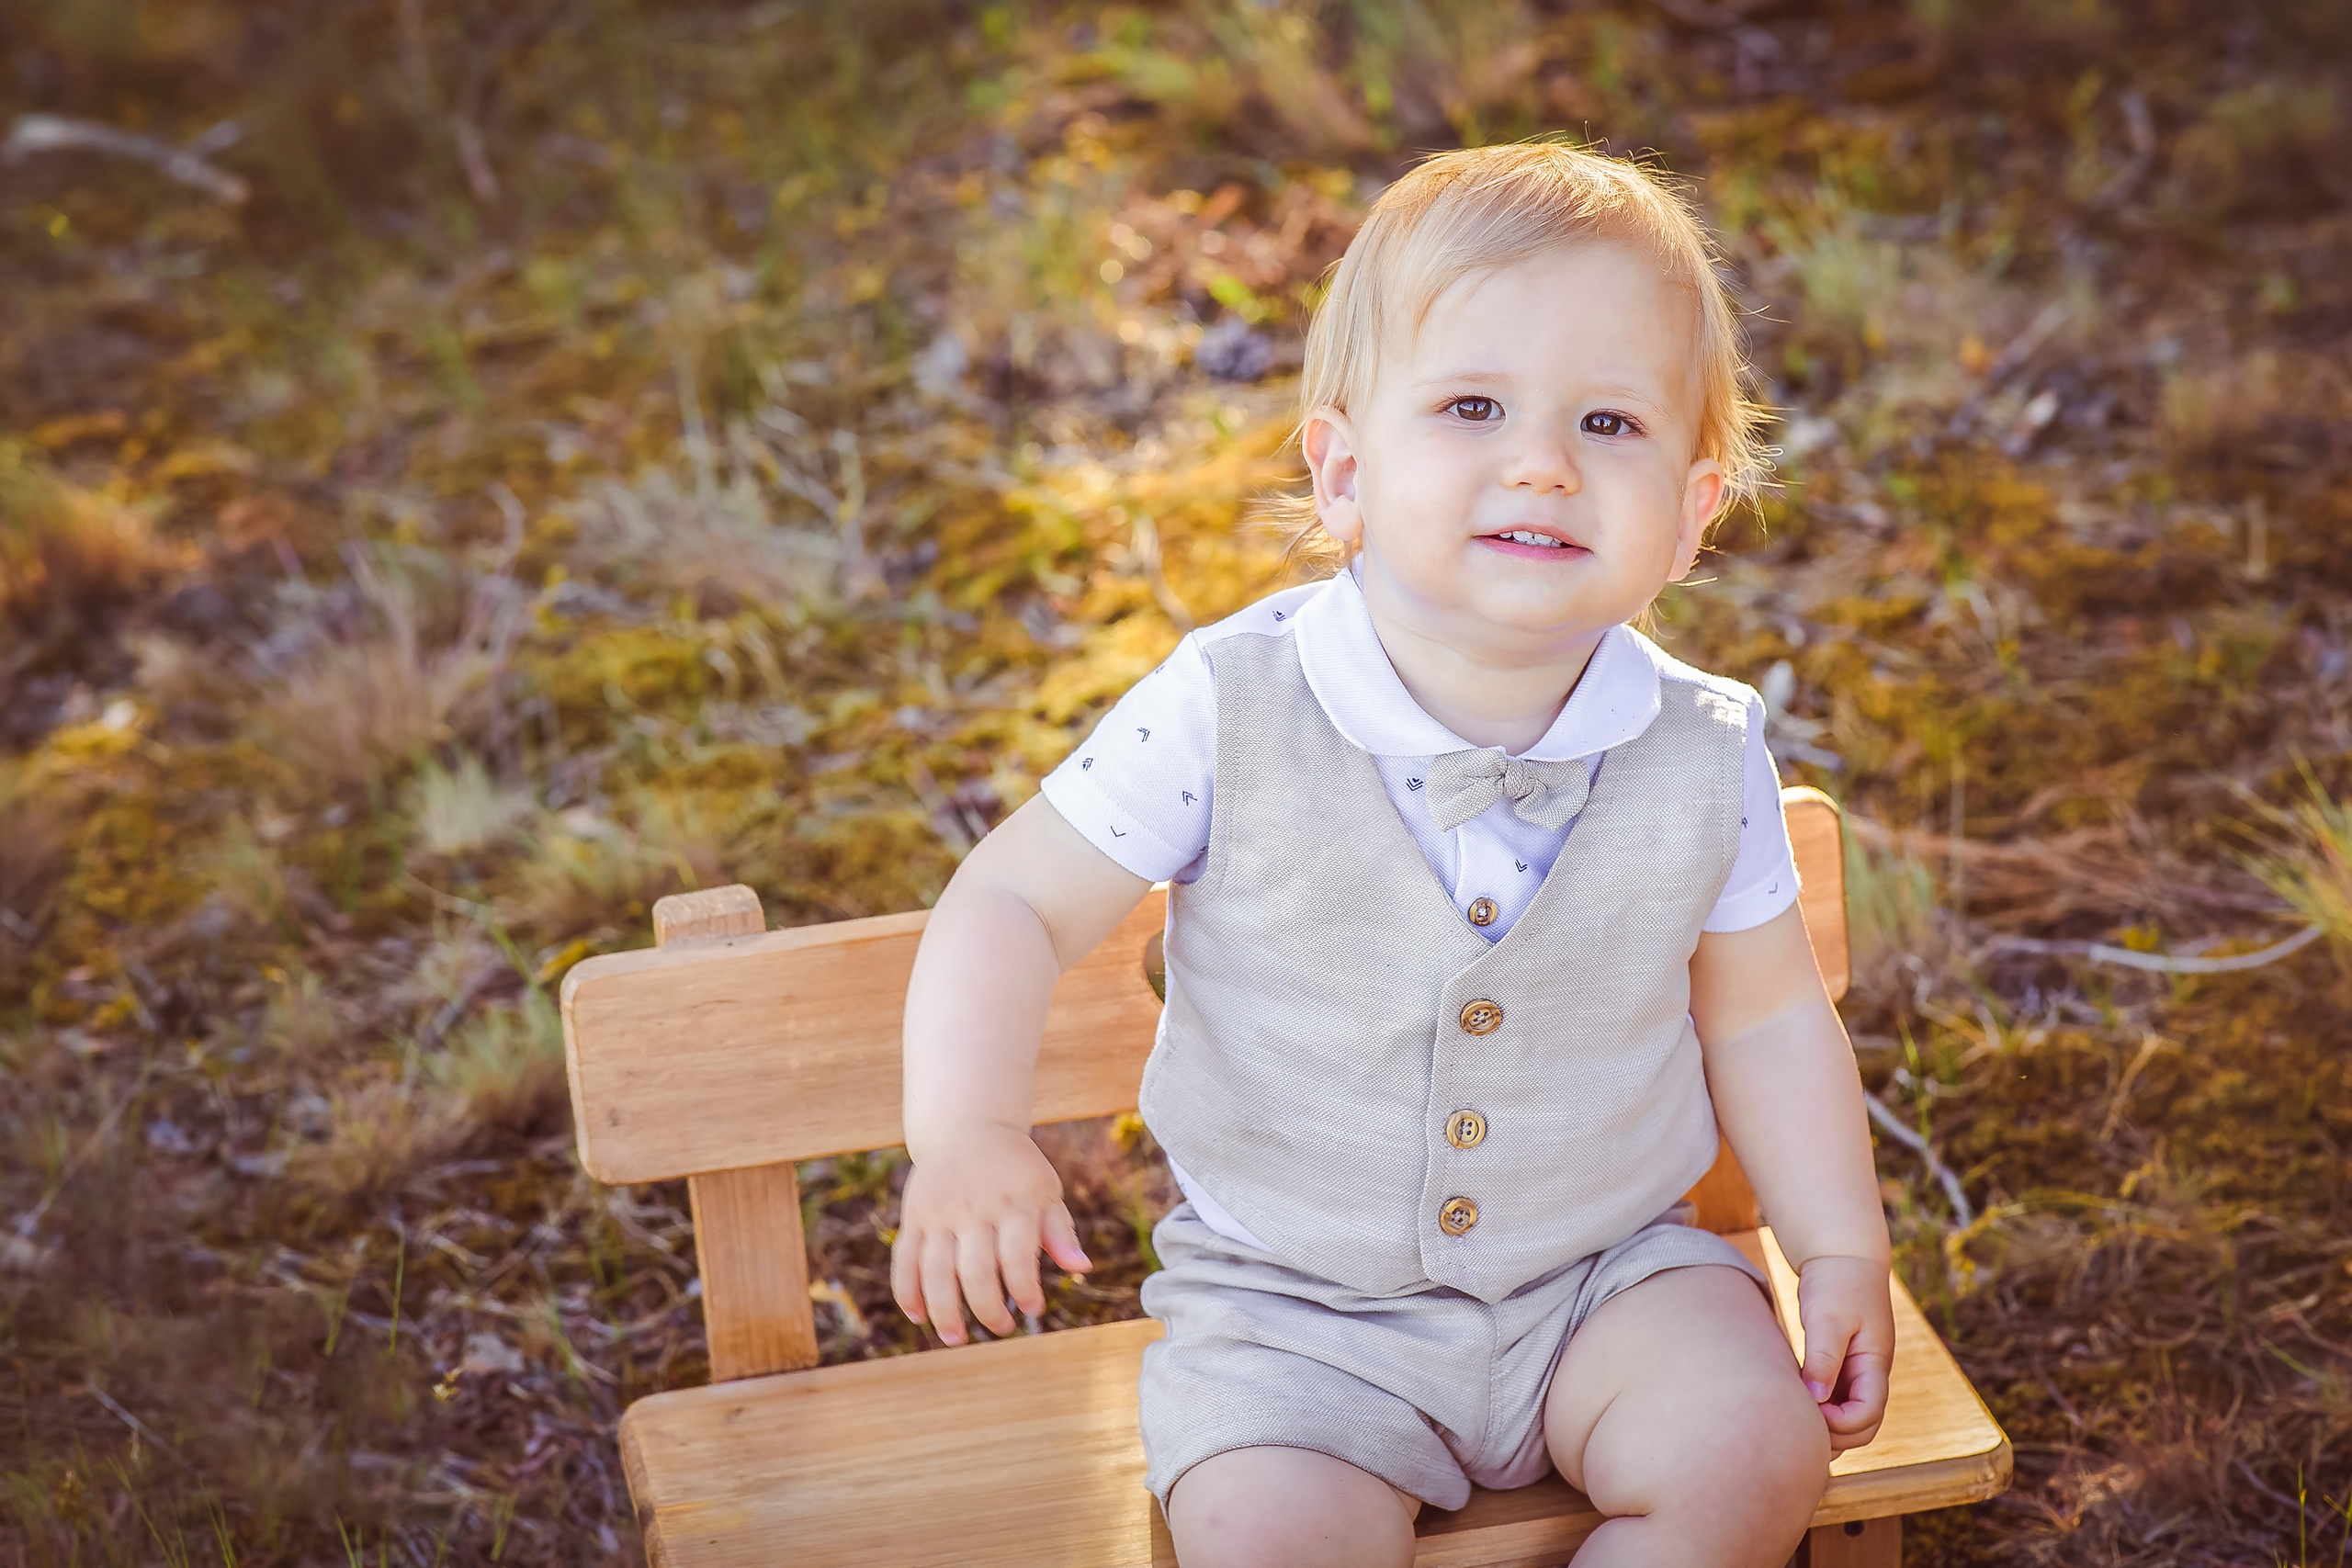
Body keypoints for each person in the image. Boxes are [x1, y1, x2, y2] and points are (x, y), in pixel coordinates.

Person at [888, 141, 1892, 1568]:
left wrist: (1840, 1247)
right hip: (1293, 1309)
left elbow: (1770, 1015)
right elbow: (1010, 902)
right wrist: (969, 1133)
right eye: (1473, 406)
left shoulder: (1701, 745)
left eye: (1610, 422)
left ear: (1690, 514)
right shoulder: (1229, 704)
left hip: (1610, 1280)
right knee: (1268, 1534)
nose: (1542, 461)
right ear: (1345, 470)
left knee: (1751, 1451)